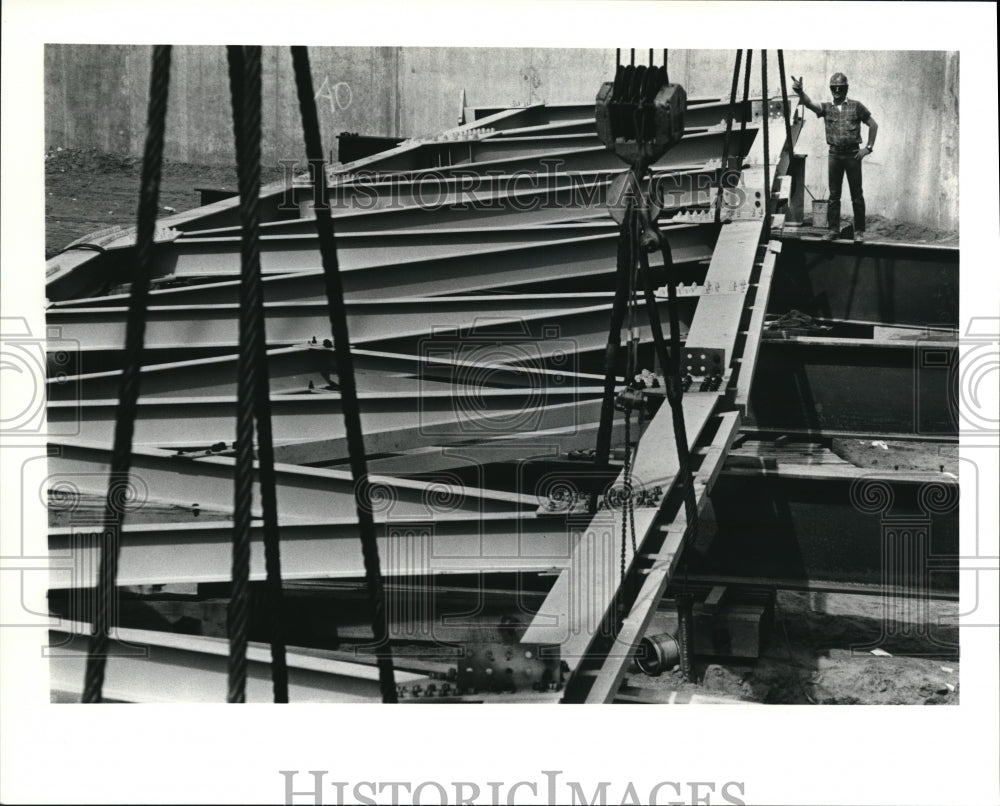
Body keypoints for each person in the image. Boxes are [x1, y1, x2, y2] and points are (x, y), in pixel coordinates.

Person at [792, 72, 878, 243]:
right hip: (835, 155)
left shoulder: (856, 106)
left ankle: (859, 231)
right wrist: (800, 93)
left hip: (852, 154)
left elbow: (873, 125)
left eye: (841, 88)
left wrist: (867, 149)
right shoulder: (827, 107)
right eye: (834, 88)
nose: (837, 90)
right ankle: (833, 230)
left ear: (846, 88)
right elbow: (809, 104)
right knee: (834, 195)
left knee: (856, 195)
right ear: (831, 89)